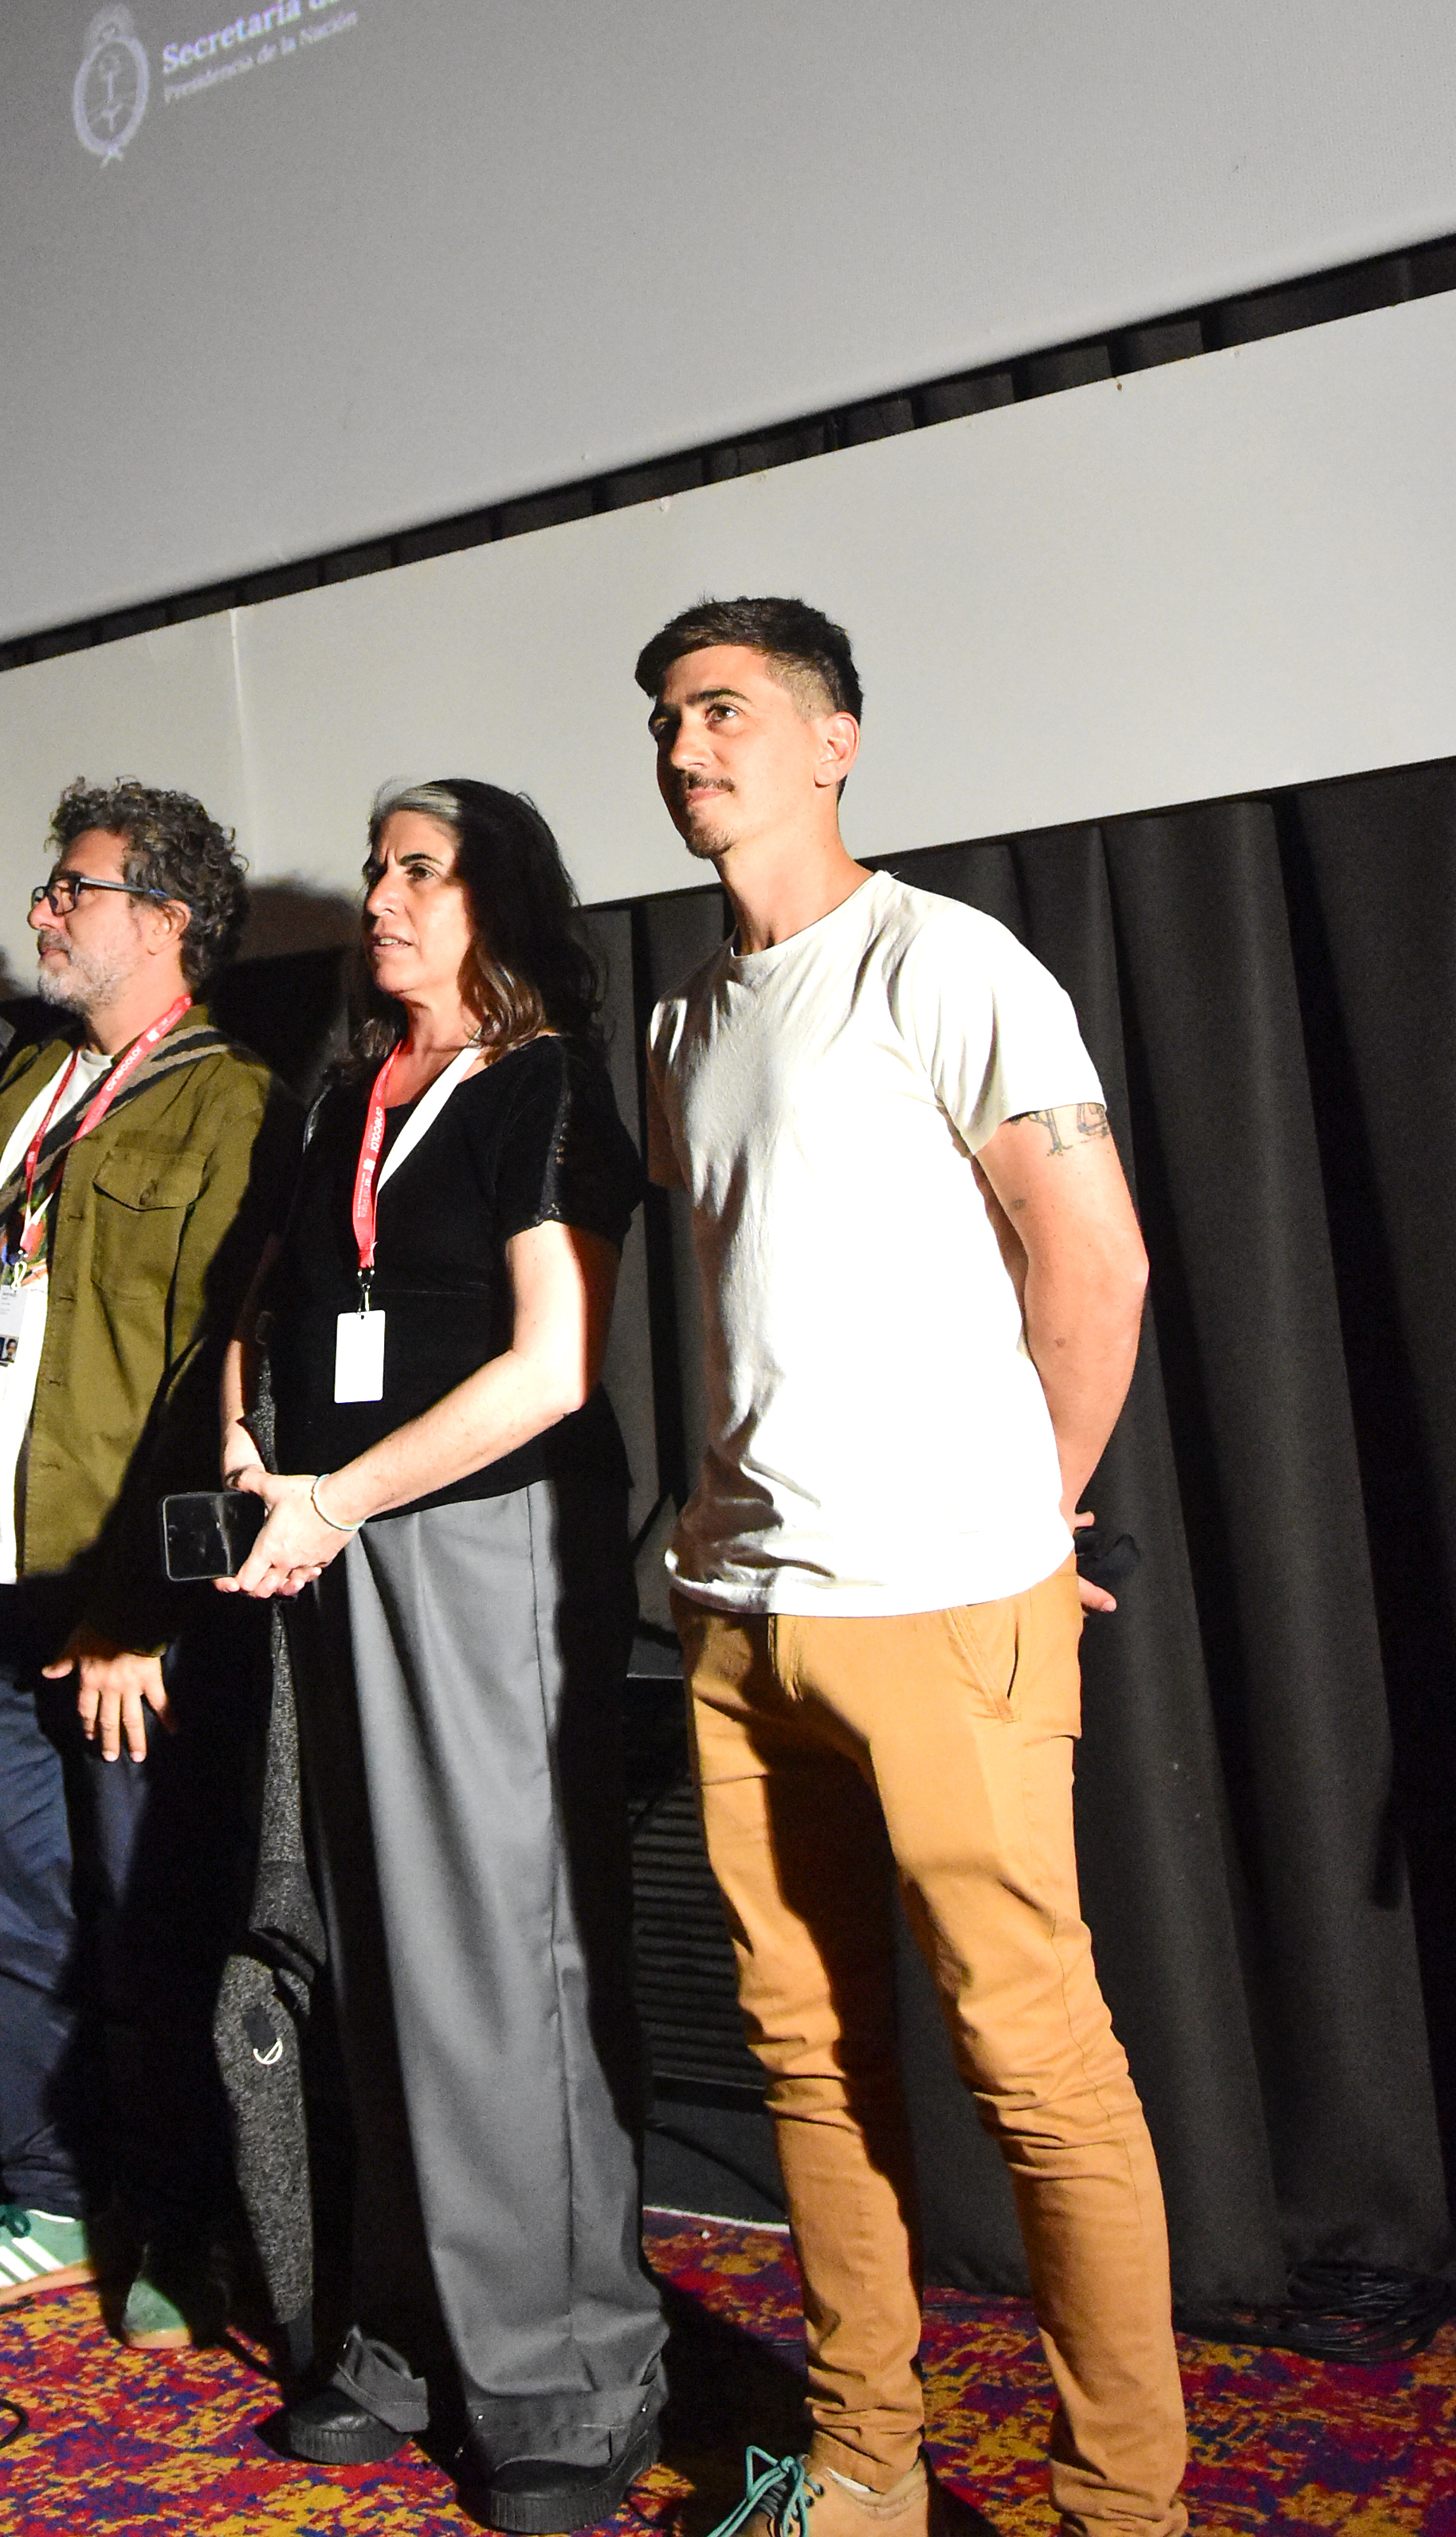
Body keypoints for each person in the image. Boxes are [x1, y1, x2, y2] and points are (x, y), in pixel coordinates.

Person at [636, 596, 1187, 2537]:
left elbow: (1095, 1263)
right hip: (747, 1618)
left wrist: (1028, 1522)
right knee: (806, 2052)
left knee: (1034, 2062)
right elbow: (733, 1318)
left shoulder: (949, 962)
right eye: (667, 717)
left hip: (946, 1608)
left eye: (725, 709)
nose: (686, 744)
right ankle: (866, 2456)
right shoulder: (681, 1015)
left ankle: (1126, 2507)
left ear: (833, 738)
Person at [224, 778, 669, 2537]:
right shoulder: (346, 1095)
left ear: (506, 900)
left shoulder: (544, 1083)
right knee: (385, 1945)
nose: (384, 897)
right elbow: (275, 1306)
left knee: (504, 1952)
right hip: (334, 1533)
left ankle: (574, 2371)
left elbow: (555, 1368)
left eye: (425, 870)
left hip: (478, 1536)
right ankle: (417, 2328)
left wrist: (340, 1493)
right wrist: (259, 1456)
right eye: (378, 870)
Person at [0, 779, 297, 2345]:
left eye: (74, 886)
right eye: (51, 884)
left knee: (154, 1918)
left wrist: (148, 1611)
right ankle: (47, 2199)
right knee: (10, 1910)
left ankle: (186, 2219)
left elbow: (218, 1372)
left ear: (163, 916)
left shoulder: (230, 1098)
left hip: (120, 1589)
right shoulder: (38, 1081)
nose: (43, 908)